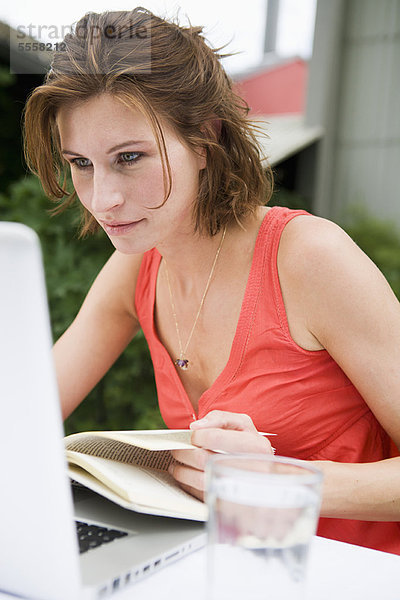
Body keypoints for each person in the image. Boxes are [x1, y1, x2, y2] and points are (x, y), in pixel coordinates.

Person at [23, 7, 400, 554]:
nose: (103, 198)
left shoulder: (309, 258)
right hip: (222, 569)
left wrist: (281, 484)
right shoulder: (136, 268)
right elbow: (25, 413)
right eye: (81, 163)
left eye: (129, 158)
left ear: (204, 139)